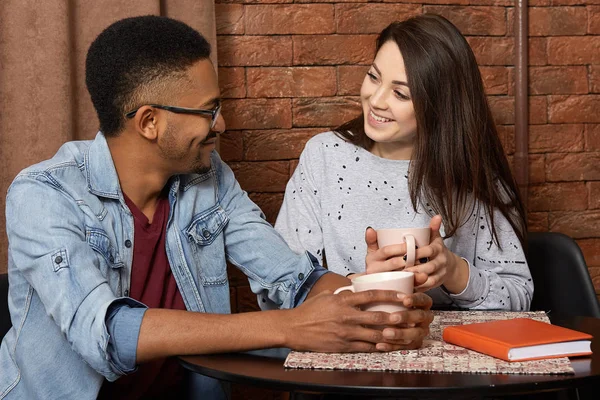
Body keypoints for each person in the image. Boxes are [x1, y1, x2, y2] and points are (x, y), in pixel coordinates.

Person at [0, 16, 434, 400]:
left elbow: (295, 278)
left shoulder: (210, 177)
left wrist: (373, 311)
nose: (221, 124)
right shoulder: (43, 195)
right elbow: (107, 335)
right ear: (150, 122)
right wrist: (290, 327)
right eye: (209, 111)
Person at [275, 14, 533, 312]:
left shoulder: (471, 175)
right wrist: (362, 285)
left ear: (440, 106)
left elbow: (519, 297)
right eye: (373, 76)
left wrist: (452, 270)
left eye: (400, 93)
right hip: (350, 345)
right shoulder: (324, 156)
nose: (376, 100)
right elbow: (281, 287)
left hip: (450, 351)